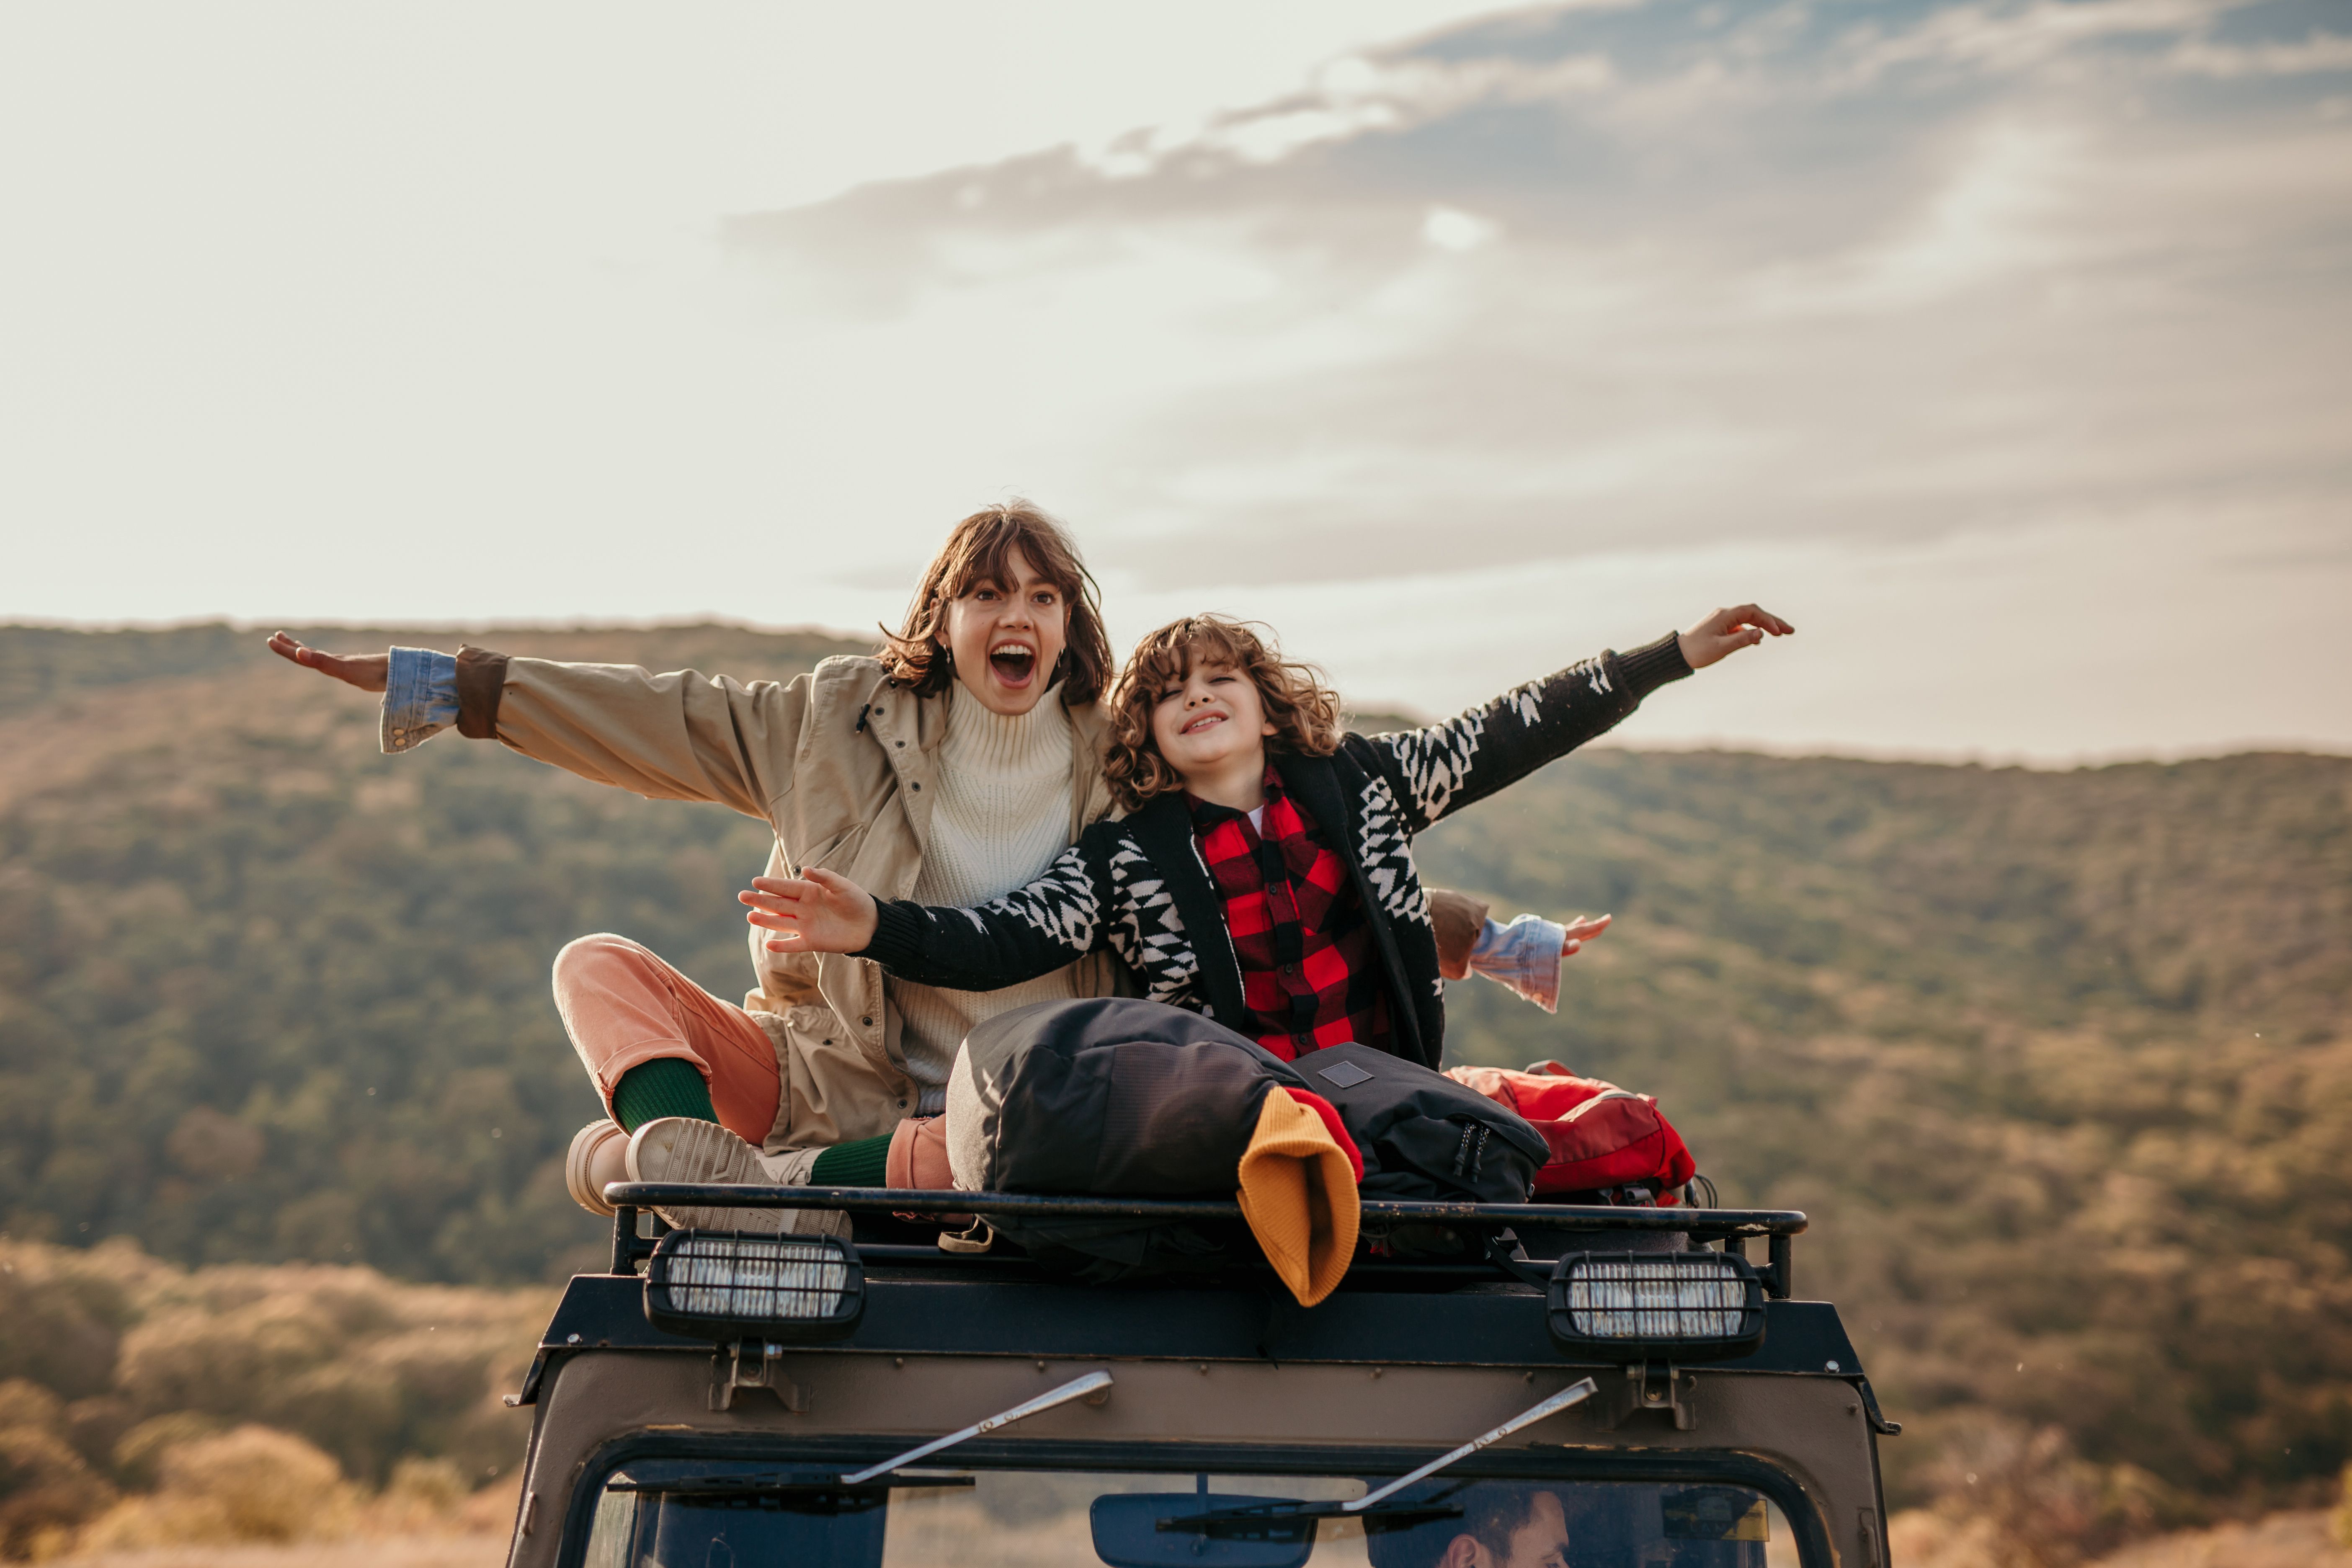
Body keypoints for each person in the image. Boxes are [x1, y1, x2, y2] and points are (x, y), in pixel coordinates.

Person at [266, 503, 1583, 1233]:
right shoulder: (825, 726)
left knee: (985, 1161)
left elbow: (1291, 879)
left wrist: (1490, 938)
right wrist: (448, 685)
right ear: (942, 619)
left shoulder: (1117, 765)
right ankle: (688, 1157)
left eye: (1042, 596)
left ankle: (692, 1187)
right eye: (987, 593)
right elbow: (648, 714)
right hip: (822, 1085)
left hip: (1022, 1124)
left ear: (1070, 627)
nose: (1015, 615)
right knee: (595, 967)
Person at [739, 604, 1791, 1081]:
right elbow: (1000, 938)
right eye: (1167, 694)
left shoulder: (1363, 787)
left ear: (1266, 701)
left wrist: (1672, 656)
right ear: (1143, 734)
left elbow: (1516, 727)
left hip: (1384, 1092)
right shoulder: (1130, 859)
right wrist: (869, 923)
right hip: (1239, 1120)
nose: (1196, 698)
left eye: (1218, 680)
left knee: (1498, 1138)